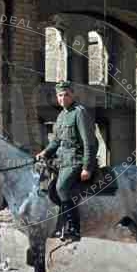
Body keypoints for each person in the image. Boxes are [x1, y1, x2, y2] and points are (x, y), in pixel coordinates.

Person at [36, 81, 97, 241]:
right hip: (62, 160)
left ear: (72, 95)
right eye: (60, 95)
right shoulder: (62, 116)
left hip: (76, 160)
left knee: (61, 187)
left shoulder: (79, 112)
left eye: (66, 95)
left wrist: (87, 167)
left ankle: (73, 228)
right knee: (43, 182)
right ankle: (57, 224)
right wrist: (45, 152)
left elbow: (89, 142)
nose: (62, 98)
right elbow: (56, 141)